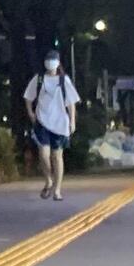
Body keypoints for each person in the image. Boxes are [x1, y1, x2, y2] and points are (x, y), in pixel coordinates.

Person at [23, 47, 79, 199]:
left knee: (57, 156)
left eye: (53, 60)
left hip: (60, 123)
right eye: (48, 60)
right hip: (42, 121)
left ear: (58, 63)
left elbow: (71, 103)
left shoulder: (64, 80)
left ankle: (57, 189)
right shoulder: (39, 79)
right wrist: (31, 113)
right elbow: (28, 97)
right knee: (44, 154)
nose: (50, 63)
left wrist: (72, 121)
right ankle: (48, 179)